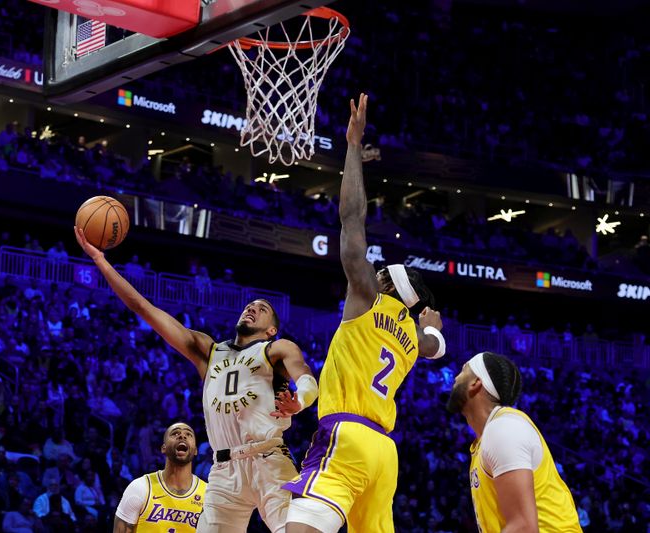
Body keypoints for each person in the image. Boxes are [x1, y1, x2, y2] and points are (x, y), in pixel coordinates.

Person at [75, 227, 318, 533]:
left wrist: (300, 401)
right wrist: (101, 260)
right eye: (249, 306)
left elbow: (306, 377)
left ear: (272, 329)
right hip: (224, 469)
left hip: (269, 458)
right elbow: (143, 308)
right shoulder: (208, 352)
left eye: (262, 308)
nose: (252, 308)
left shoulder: (275, 348)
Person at [283, 93, 446, 533]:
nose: (372, 271)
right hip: (384, 452)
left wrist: (353, 147)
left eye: (381, 273)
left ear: (387, 285)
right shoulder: (413, 340)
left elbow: (351, 219)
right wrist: (432, 329)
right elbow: (435, 345)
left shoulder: (368, 298)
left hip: (347, 435)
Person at [446, 352, 582, 532]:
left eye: (463, 371)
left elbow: (524, 527)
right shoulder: (487, 438)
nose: (456, 377)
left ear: (475, 382)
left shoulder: (503, 429)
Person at [114, 423, 206, 532]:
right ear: (164, 448)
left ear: (195, 450)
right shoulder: (140, 487)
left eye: (188, 434)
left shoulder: (208, 494)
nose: (182, 436)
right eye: (175, 433)